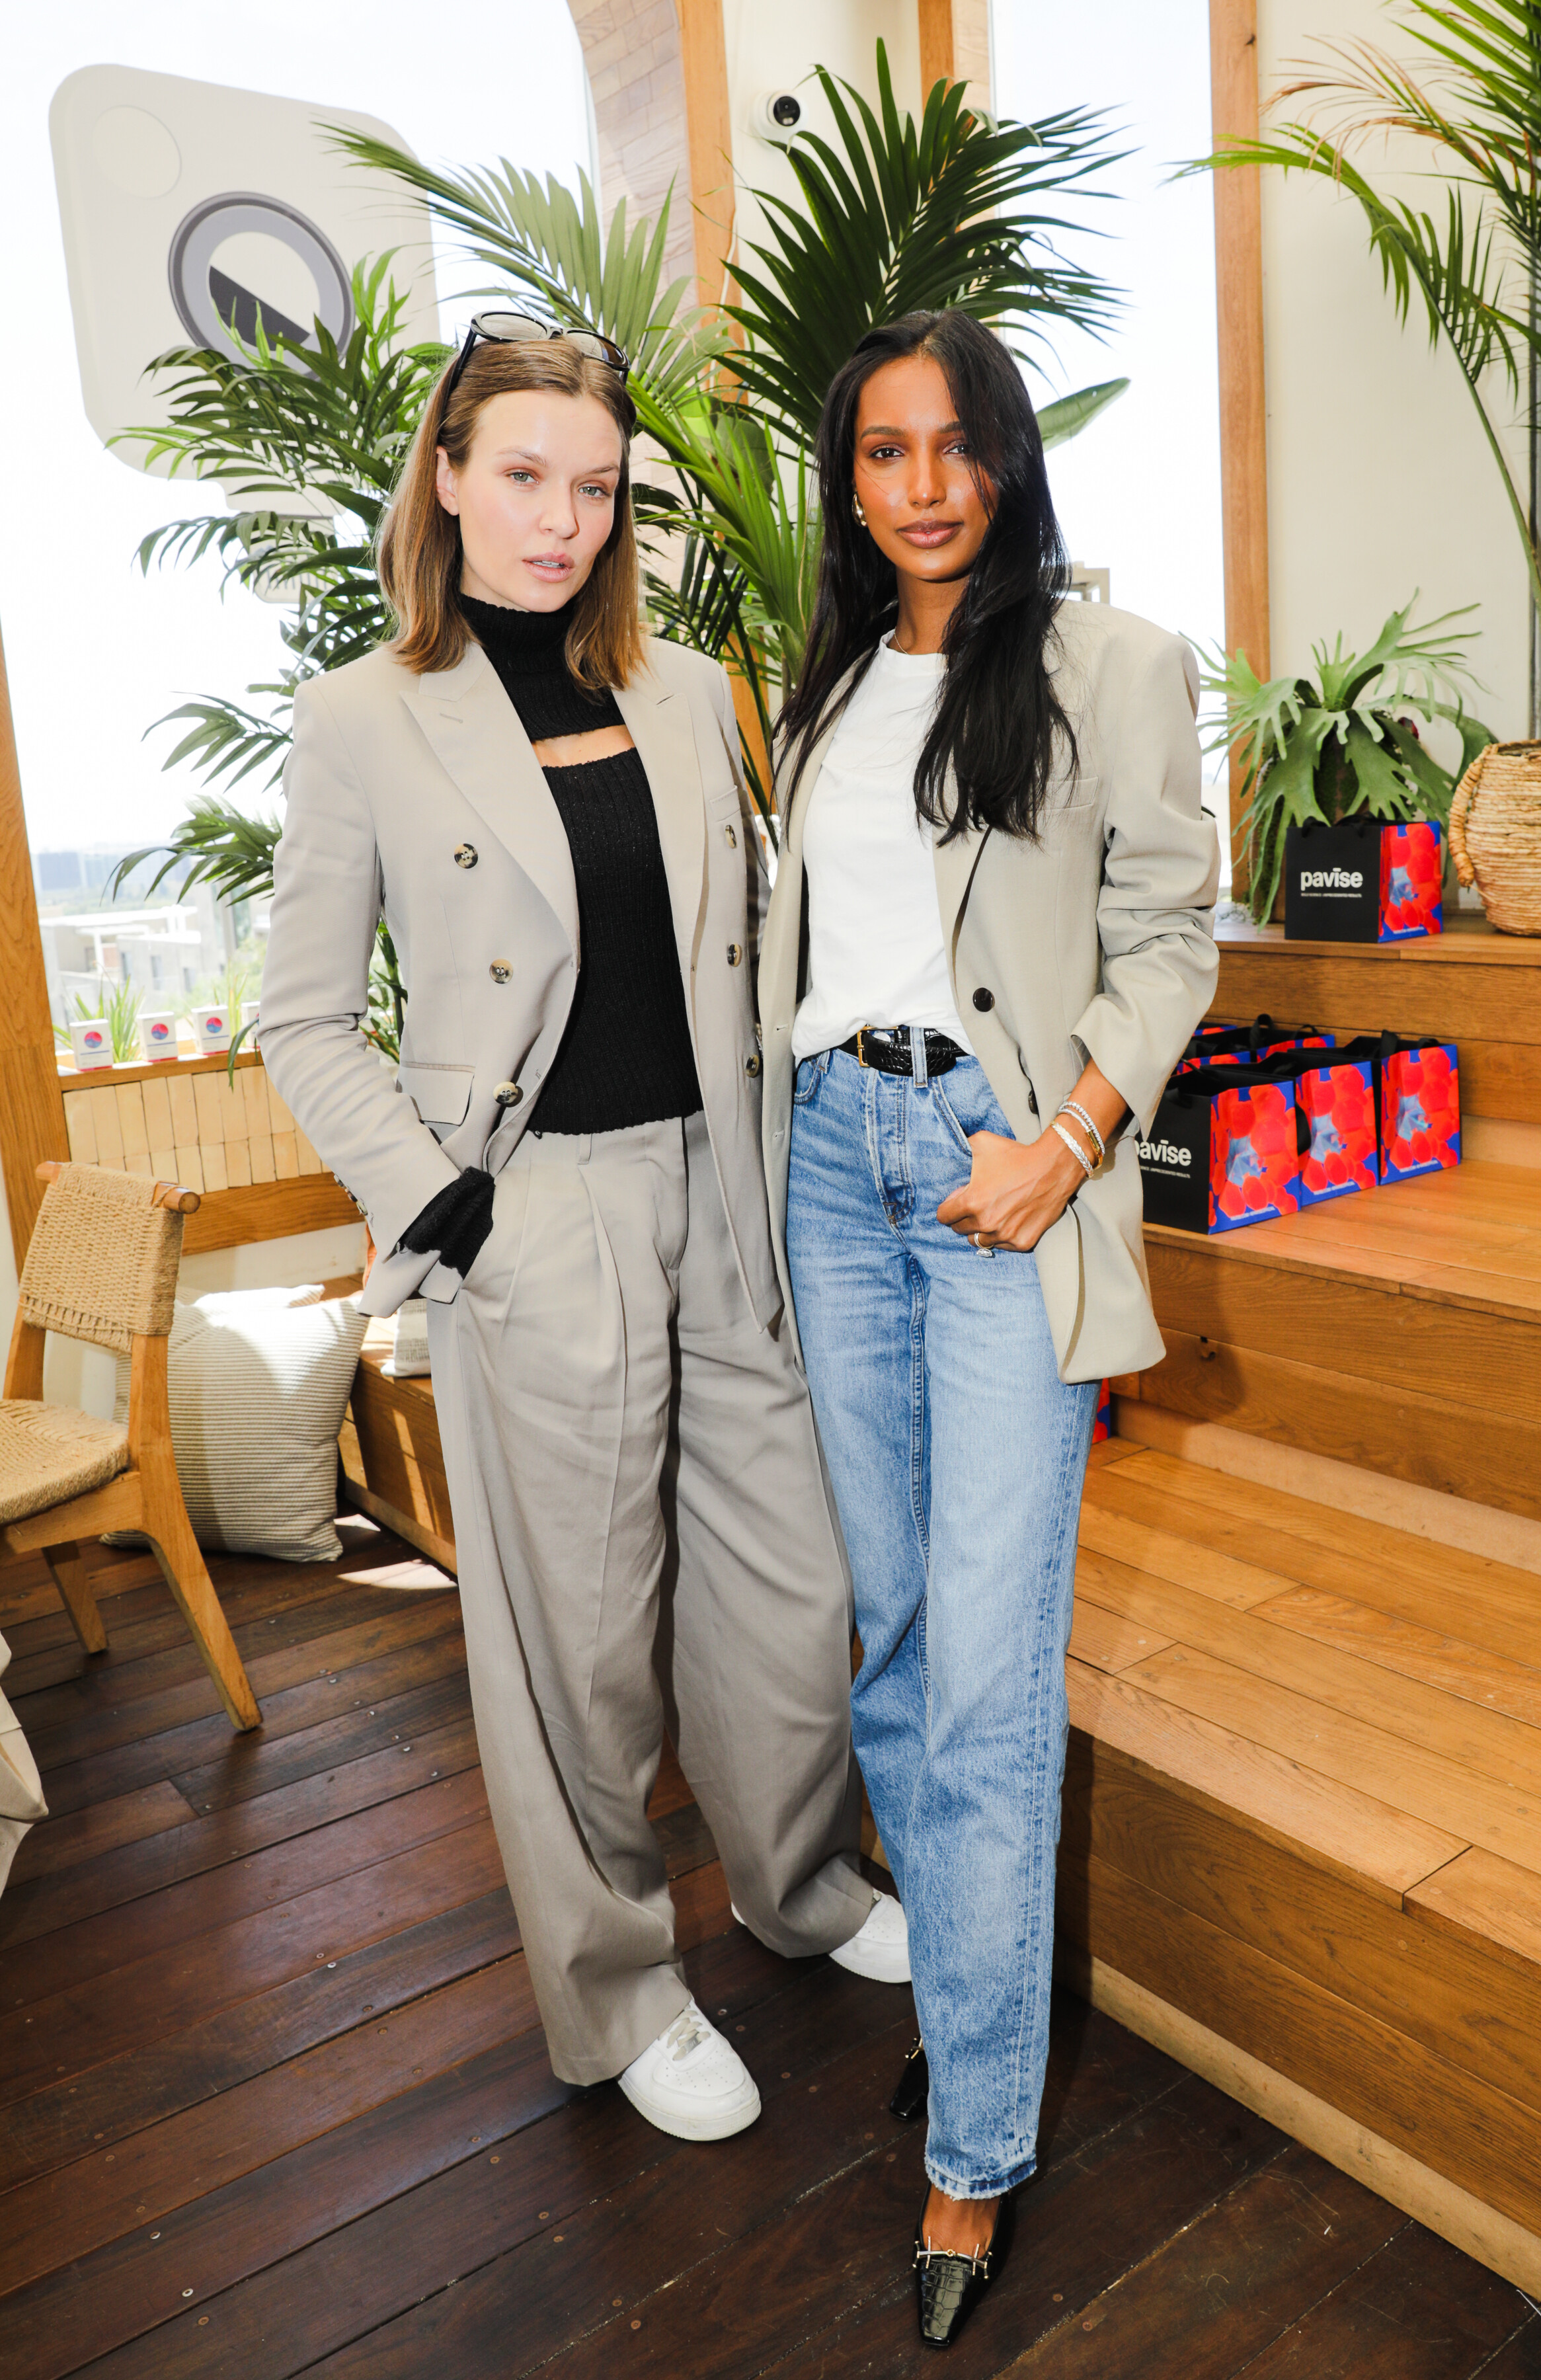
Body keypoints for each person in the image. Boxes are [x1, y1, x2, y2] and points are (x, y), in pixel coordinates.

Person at [259, 315, 907, 2143]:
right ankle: (620, 1991)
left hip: (727, 1183)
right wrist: (448, 1208)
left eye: (598, 487)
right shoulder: (364, 715)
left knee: (789, 1589)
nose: (562, 519)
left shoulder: (688, 690)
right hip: (533, 1208)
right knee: (580, 1644)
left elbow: (752, 948)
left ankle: (800, 1885)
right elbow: (302, 1016)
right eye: (526, 476)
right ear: (449, 478)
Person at [760, 310, 1218, 2346]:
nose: (924, 484)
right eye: (885, 451)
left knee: (986, 1681)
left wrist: (1069, 1140)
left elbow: (1171, 933)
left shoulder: (1114, 663)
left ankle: (975, 2145)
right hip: (827, 1165)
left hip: (996, 1169)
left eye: (956, 445)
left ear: (1011, 460)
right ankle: (969, 2006)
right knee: (893, 1643)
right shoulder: (833, 681)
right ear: (849, 482)